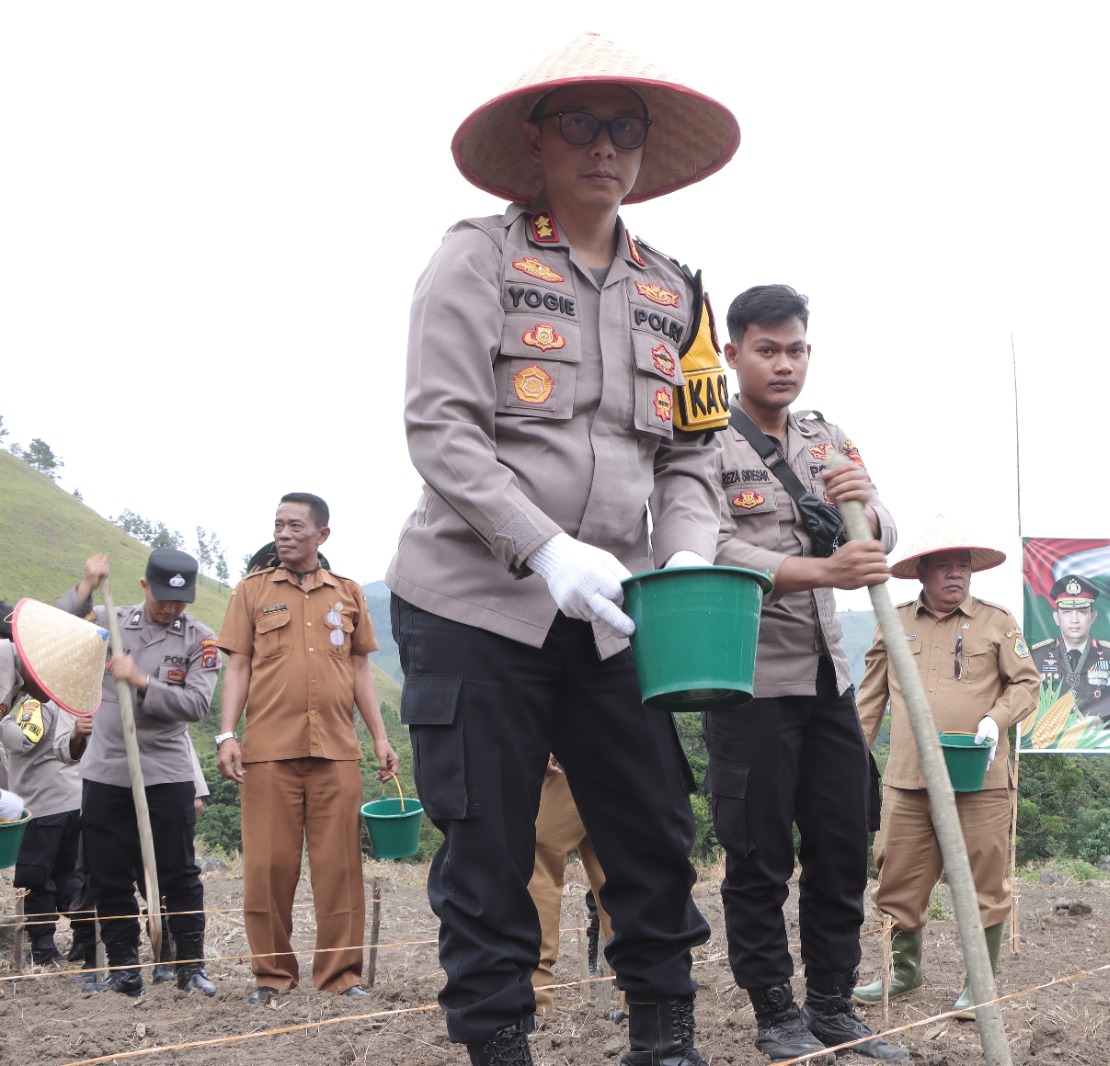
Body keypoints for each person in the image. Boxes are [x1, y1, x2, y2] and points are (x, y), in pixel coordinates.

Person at [384, 32, 740, 1066]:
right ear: (536, 140)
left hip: (621, 609)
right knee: (490, 844)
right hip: (472, 603)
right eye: (579, 124)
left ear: (643, 147)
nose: (603, 148)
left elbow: (694, 457)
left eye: (623, 127)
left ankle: (664, 1042)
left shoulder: (677, 293)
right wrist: (543, 549)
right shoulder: (477, 257)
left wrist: (679, 557)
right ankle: (499, 1046)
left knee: (653, 830)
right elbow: (440, 427)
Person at [706, 283, 906, 1062]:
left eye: (795, 350)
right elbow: (711, 549)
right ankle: (775, 1012)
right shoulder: (706, 444)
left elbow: (880, 522)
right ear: (733, 353)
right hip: (749, 680)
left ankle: (831, 1006)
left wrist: (871, 509)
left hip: (830, 680)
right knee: (758, 857)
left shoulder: (828, 438)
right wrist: (819, 572)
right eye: (767, 349)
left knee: (841, 846)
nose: (783, 364)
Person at [853, 518, 1040, 1018]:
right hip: (909, 778)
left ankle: (979, 982)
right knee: (895, 875)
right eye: (944, 566)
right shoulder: (893, 622)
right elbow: (869, 699)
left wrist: (995, 720)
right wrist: (850, 757)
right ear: (922, 573)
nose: (956, 575)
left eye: (963, 566)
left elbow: (1026, 685)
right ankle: (903, 971)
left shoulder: (996, 622)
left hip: (979, 779)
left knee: (985, 876)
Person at [216, 493, 399, 1004]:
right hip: (269, 751)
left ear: (322, 535)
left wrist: (380, 738)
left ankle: (341, 976)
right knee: (268, 868)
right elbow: (238, 667)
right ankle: (271, 976)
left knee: (339, 869)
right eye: (278, 524)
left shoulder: (348, 593)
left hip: (337, 752)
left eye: (295, 525)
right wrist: (227, 734)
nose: (283, 533)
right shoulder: (252, 591)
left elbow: (361, 669)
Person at [55, 551, 219, 997]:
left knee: (179, 873)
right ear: (145, 587)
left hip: (166, 770)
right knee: (107, 874)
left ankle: (190, 968)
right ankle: (125, 970)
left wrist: (143, 681)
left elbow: (196, 706)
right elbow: (55, 631)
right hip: (107, 769)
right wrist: (87, 585)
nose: (171, 608)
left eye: (180, 601)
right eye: (164, 598)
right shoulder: (111, 620)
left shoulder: (199, 640)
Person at [1, 691, 93, 967]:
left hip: (42, 802)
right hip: (68, 799)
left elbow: (23, 739)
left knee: (34, 876)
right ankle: (88, 934)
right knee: (65, 873)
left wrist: (3, 717)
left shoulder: (34, 701)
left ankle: (43, 946)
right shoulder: (66, 696)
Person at [527, 756, 616, 1023]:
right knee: (616, 867)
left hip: (577, 753)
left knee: (537, 854)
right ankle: (641, 998)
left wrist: (549, 744)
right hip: (624, 751)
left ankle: (536, 1000)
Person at [1030, 574, 1110, 728]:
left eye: (1081, 611)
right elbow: (1025, 700)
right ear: (1056, 617)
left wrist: (1103, 721)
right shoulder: (1038, 656)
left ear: (1092, 616)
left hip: (1096, 742)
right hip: (1049, 744)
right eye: (1067, 612)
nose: (1074, 619)